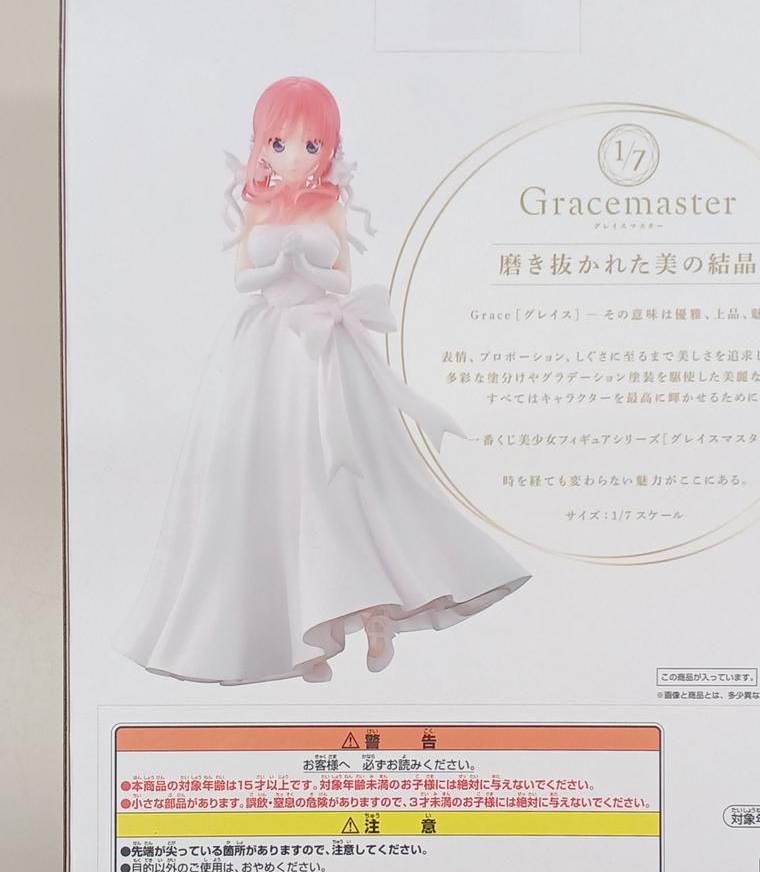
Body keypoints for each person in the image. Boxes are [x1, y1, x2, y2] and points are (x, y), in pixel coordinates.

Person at [114, 76, 531, 685]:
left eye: (311, 145)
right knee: (264, 484)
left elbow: (343, 279)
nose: (293, 157)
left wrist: (308, 266)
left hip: (325, 347)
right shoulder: (256, 206)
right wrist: (277, 270)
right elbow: (242, 278)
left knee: (349, 481)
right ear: (261, 144)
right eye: (280, 143)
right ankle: (301, 639)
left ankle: (377, 612)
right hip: (264, 350)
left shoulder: (328, 206)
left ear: (329, 149)